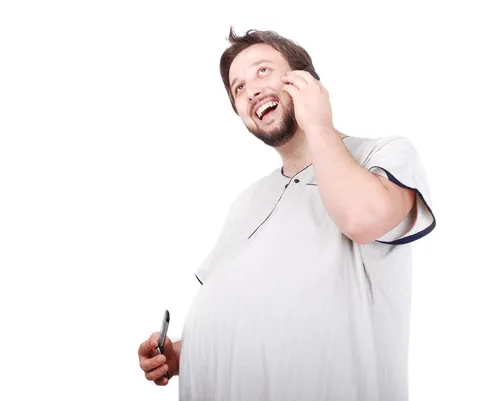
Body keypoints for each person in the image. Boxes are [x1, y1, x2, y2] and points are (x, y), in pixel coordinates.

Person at [138, 27, 436, 401]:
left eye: (263, 71)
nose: (251, 91)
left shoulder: (383, 154)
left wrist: (318, 124)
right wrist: (177, 355)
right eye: (239, 89)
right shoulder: (247, 201)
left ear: (305, 79)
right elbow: (239, 304)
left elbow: (362, 219)